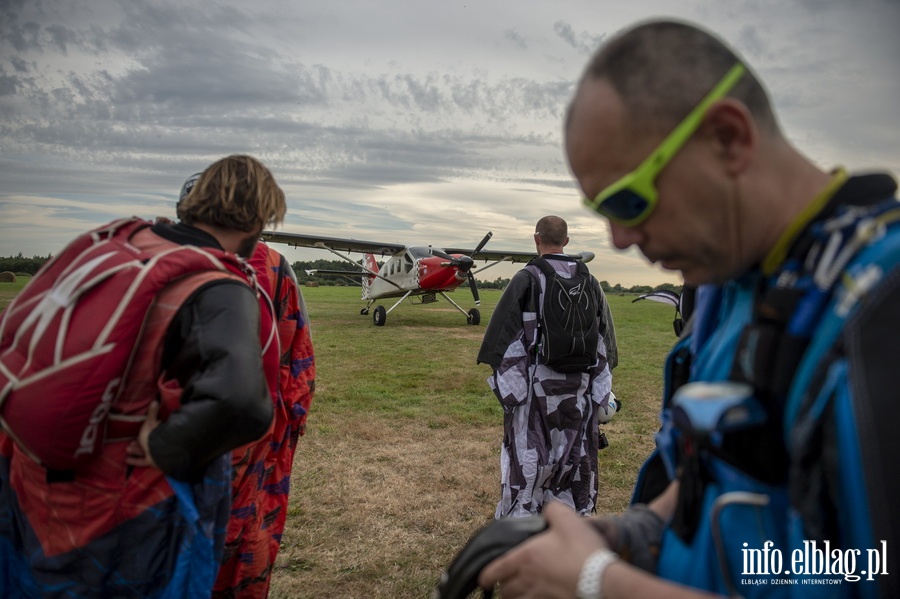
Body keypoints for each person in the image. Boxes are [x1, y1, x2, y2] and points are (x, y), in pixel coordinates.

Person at [477, 19, 900, 599]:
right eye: (604, 210)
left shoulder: (880, 301)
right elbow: (718, 468)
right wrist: (627, 534)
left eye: (630, 199)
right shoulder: (728, 281)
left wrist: (599, 583)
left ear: (728, 137)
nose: (621, 238)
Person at [0, 154, 286, 597]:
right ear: (256, 219)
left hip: (33, 482)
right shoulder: (219, 285)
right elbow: (244, 404)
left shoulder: (124, 242)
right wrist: (165, 446)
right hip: (122, 506)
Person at [477, 215, 618, 519]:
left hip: (535, 394)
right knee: (575, 457)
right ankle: (572, 519)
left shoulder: (527, 278)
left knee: (529, 458)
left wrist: (511, 395)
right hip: (579, 393)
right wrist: (600, 390)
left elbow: (503, 344)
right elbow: (605, 342)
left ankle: (522, 520)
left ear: (536, 239)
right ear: (566, 242)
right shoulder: (590, 282)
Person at [213, 223, 317, 598]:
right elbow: (300, 356)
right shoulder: (274, 265)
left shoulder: (274, 268)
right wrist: (293, 417)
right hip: (254, 434)